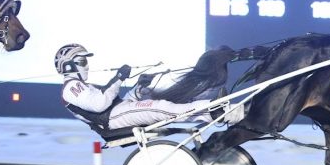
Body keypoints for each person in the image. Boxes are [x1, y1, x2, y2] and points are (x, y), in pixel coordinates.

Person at [55, 43, 243, 131]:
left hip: (117, 113)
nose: (86, 65)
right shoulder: (71, 88)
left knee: (164, 105)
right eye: (82, 61)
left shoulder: (80, 86)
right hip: (112, 118)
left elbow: (116, 103)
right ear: (68, 66)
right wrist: (118, 78)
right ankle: (217, 111)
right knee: (162, 107)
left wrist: (138, 88)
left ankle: (214, 111)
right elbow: (100, 105)